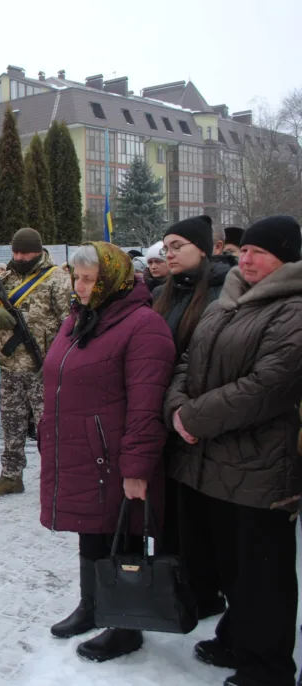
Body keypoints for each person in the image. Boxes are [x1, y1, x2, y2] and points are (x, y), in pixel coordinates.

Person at [165, 216, 302, 686]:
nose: (245, 259)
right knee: (231, 567)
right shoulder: (228, 302)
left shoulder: (293, 309)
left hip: (261, 466)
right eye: (244, 251)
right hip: (212, 460)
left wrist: (192, 418)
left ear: (285, 258)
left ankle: (268, 668)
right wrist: (177, 407)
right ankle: (236, 639)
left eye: (259, 252)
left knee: (264, 575)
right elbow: (187, 360)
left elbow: (268, 386)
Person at [40, 244, 175, 661]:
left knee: (124, 534)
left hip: (115, 455)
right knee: (90, 528)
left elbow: (146, 405)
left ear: (112, 280)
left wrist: (136, 468)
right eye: (76, 278)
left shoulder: (143, 326)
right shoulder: (80, 319)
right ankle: (93, 605)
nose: (78, 286)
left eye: (88, 279)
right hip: (80, 450)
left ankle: (126, 625)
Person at [152, 215, 235, 617]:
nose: (169, 254)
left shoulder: (222, 292)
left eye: (178, 246)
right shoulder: (165, 292)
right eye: (166, 246)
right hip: (166, 416)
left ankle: (204, 591)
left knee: (201, 519)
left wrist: (186, 409)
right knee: (173, 515)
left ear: (204, 249)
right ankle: (178, 585)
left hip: (198, 420)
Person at [0, 228, 70, 497]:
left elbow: (70, 324)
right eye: (15, 252)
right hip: (10, 368)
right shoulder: (5, 279)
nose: (19, 257)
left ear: (39, 250)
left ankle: (56, 479)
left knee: (48, 429)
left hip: (43, 369)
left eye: (25, 252)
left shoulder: (58, 280)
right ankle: (11, 476)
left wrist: (57, 361)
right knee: (11, 424)